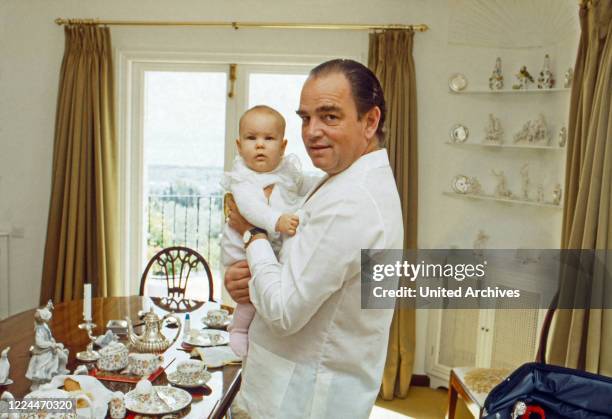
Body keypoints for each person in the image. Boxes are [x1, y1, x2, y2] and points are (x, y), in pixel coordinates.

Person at [225, 59, 404, 419]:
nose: (312, 132)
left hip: (299, 402)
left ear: (370, 121)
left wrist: (252, 233)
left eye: (330, 116)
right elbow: (300, 269)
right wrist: (249, 277)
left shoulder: (352, 200)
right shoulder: (339, 178)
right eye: (306, 118)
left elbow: (284, 312)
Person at [221, 105, 320, 356]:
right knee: (249, 297)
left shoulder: (286, 173)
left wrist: (323, 182)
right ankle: (238, 329)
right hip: (242, 253)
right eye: (251, 138)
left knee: (265, 292)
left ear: (283, 146)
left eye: (269, 138)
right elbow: (249, 209)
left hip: (269, 249)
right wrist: (277, 220)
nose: (260, 145)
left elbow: (305, 185)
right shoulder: (243, 178)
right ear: (239, 145)